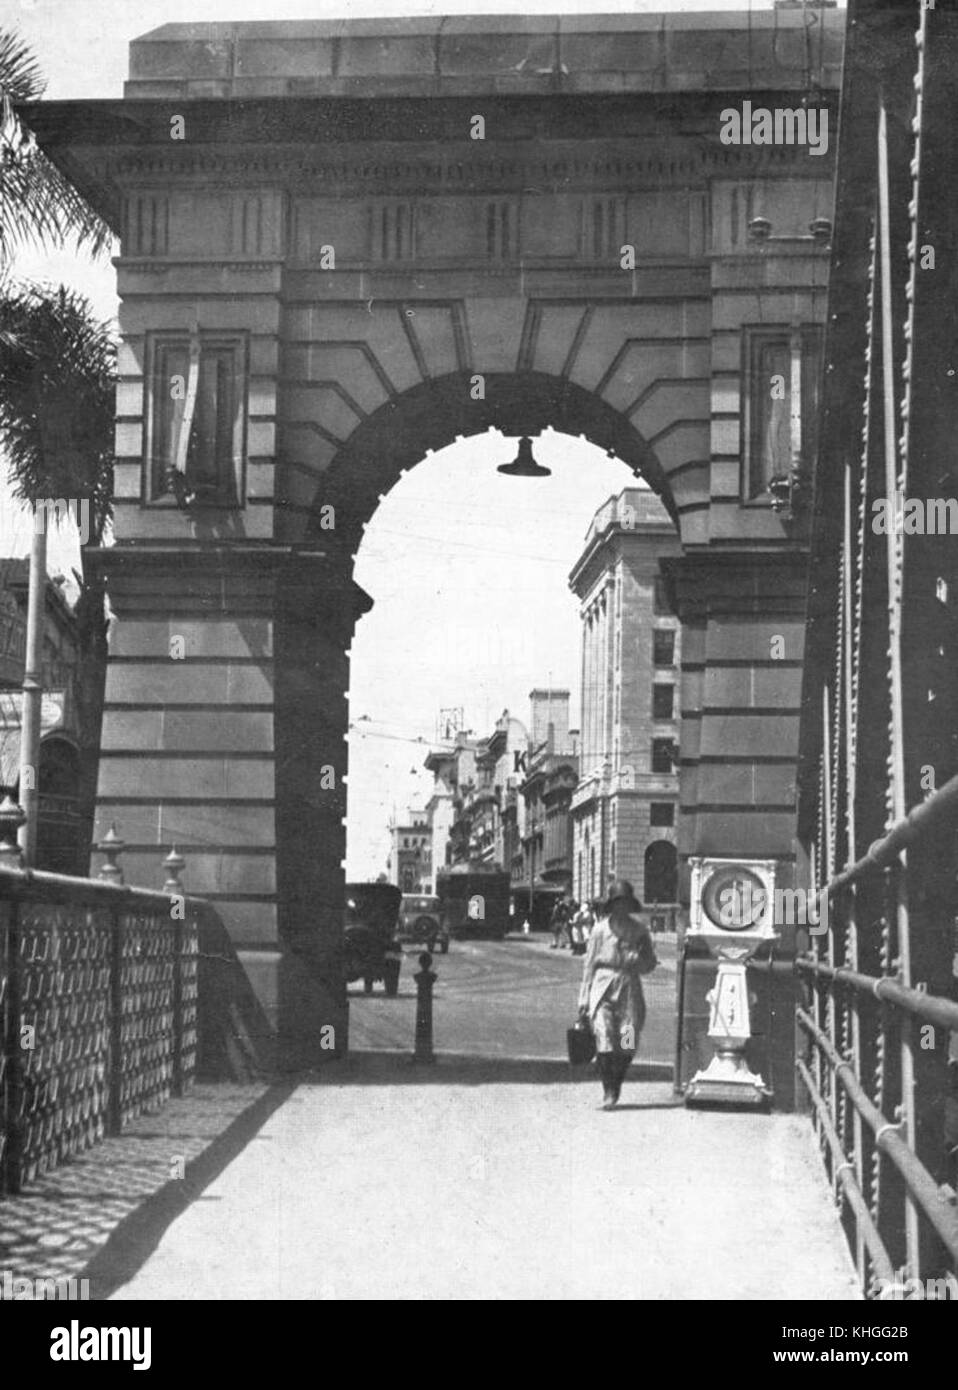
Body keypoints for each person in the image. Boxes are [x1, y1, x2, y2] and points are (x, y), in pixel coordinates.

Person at [577, 878, 657, 1109]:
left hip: (629, 986)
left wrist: (639, 960)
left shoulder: (640, 931)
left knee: (628, 1039)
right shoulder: (599, 930)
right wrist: (583, 997)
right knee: (604, 1035)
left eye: (625, 903)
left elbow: (649, 963)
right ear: (611, 905)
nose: (621, 908)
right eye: (617, 903)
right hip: (602, 986)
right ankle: (608, 1090)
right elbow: (589, 965)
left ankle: (618, 1080)